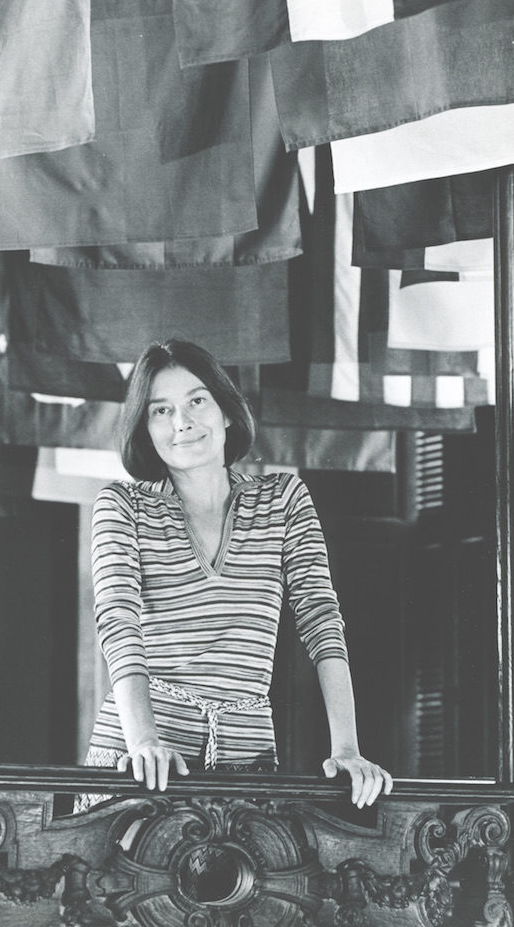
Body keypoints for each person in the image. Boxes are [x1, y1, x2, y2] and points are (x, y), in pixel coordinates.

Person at [77, 339, 392, 810]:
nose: (181, 422)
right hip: (142, 760)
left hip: (247, 758)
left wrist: (347, 749)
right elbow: (118, 624)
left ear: (226, 412)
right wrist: (144, 743)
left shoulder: (285, 500)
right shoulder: (122, 506)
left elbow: (321, 618)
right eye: (160, 410)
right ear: (145, 428)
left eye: (196, 401)